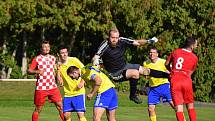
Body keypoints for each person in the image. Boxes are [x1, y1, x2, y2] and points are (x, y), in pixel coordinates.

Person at [92, 28, 169, 104]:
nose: (115, 40)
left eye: (116, 37)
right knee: (135, 73)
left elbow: (137, 42)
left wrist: (149, 41)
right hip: (115, 73)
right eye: (112, 38)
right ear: (109, 37)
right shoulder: (105, 45)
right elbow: (96, 56)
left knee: (145, 70)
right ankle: (132, 95)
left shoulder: (121, 40)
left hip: (125, 66)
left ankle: (168, 76)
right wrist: (95, 62)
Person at [28, 40, 64, 121]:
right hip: (41, 88)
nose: (46, 48)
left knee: (61, 107)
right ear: (41, 48)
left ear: (50, 48)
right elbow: (29, 70)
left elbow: (57, 70)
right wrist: (37, 71)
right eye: (44, 47)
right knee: (38, 109)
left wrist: (60, 77)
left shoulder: (53, 58)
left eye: (48, 47)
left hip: (53, 87)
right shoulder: (37, 59)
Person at [165, 38, 198, 121]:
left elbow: (166, 64)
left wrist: (171, 71)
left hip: (175, 80)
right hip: (186, 80)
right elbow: (191, 71)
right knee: (190, 107)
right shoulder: (194, 57)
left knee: (179, 109)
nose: (197, 46)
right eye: (196, 44)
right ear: (192, 46)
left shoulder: (176, 52)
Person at [143, 48, 174, 121]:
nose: (151, 54)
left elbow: (172, 70)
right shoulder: (145, 63)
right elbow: (145, 75)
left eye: (153, 52)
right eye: (150, 52)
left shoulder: (163, 62)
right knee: (150, 108)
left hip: (164, 86)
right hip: (153, 88)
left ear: (157, 54)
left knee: (174, 105)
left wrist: (169, 72)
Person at [57, 46, 87, 121]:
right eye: (62, 53)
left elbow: (86, 70)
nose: (64, 55)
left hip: (79, 93)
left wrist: (82, 82)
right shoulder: (58, 65)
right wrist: (58, 71)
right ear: (58, 54)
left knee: (80, 114)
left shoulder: (74, 60)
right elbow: (59, 81)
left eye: (66, 52)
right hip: (67, 94)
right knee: (66, 116)